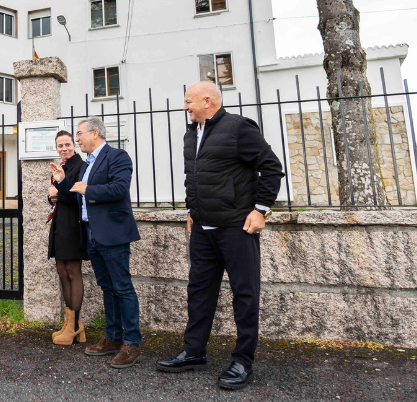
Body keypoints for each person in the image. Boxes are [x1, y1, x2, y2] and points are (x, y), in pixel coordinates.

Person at [156, 81, 284, 391]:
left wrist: (261, 210)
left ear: (208, 100)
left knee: (244, 294)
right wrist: (192, 209)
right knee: (199, 291)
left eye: (189, 101)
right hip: (203, 228)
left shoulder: (238, 128)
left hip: (236, 227)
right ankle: (194, 351)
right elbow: (196, 177)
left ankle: (243, 361)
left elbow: (272, 167)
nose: (185, 107)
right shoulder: (192, 133)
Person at [51, 117, 142, 369]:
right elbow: (75, 193)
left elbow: (120, 189)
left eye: (79, 134)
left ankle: (132, 342)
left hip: (112, 233)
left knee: (122, 287)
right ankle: (112, 338)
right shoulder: (87, 163)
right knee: (107, 287)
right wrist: (62, 181)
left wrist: (87, 189)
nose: (77, 139)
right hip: (91, 233)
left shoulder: (117, 156)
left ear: (94, 133)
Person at [46, 130, 88, 346]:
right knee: (62, 272)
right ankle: (72, 323)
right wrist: (50, 195)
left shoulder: (81, 166)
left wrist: (58, 192)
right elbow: (56, 198)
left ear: (75, 145)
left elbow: (76, 198)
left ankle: (74, 327)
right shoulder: (61, 167)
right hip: (60, 224)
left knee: (73, 272)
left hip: (73, 226)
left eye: (67, 144)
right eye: (60, 145)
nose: (64, 148)